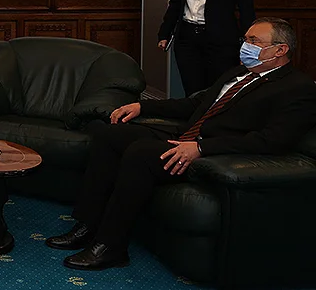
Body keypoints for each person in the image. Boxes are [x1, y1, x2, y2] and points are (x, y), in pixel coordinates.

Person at [46, 18, 316, 270]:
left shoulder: (298, 88)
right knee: (110, 134)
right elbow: (195, 104)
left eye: (254, 41)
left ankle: (110, 246)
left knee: (141, 153)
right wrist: (142, 106)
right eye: (245, 39)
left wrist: (202, 149)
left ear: (280, 50)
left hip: (214, 153)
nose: (245, 45)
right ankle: (87, 225)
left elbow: (272, 141)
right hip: (186, 136)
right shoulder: (239, 72)